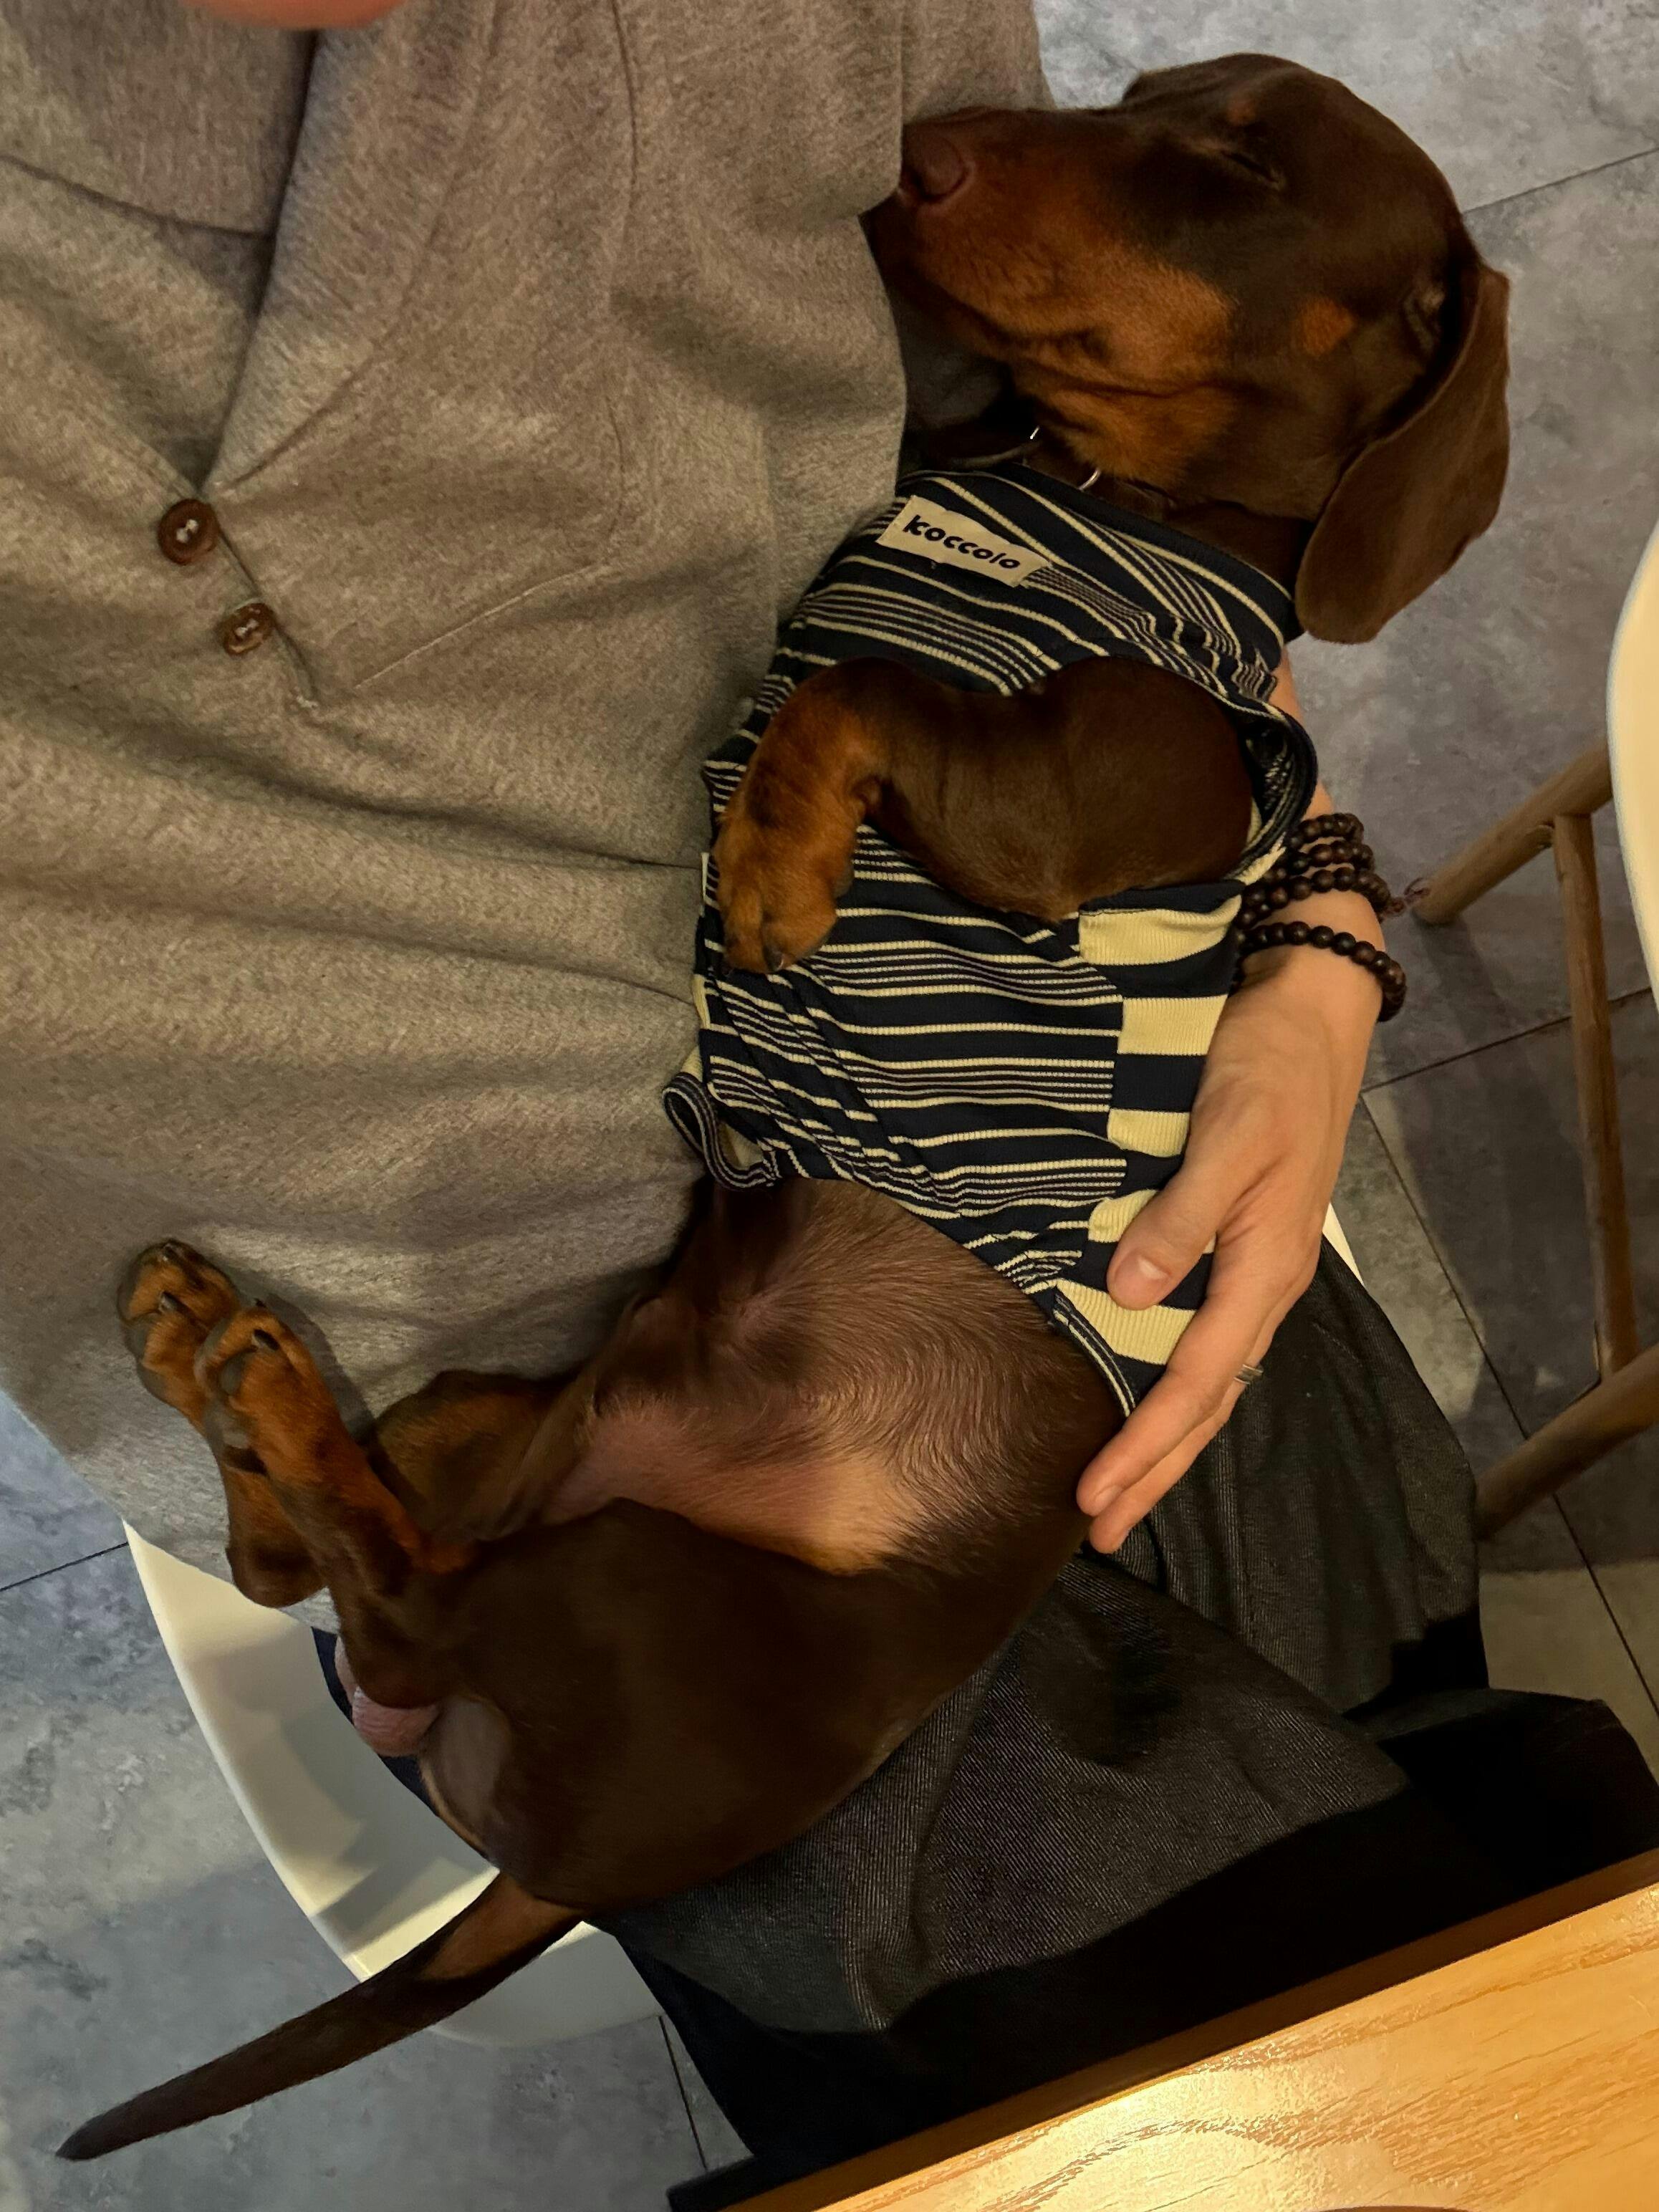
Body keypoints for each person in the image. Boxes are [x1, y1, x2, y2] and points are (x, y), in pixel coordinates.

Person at [1, 0, 1490, 2192]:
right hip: (462, 1316)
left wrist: (1313, 916)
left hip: (1053, 1208)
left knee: (1448, 1744)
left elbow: (1118, 457)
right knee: (1225, 2049)